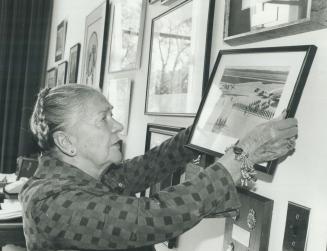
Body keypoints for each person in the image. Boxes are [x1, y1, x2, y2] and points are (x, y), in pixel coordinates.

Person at [19, 84, 297, 251]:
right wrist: (244, 153)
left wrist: (215, 119)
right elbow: (151, 216)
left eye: (112, 114)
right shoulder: (51, 202)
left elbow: (156, 162)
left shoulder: (89, 176)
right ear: (66, 142)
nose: (118, 125)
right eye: (103, 119)